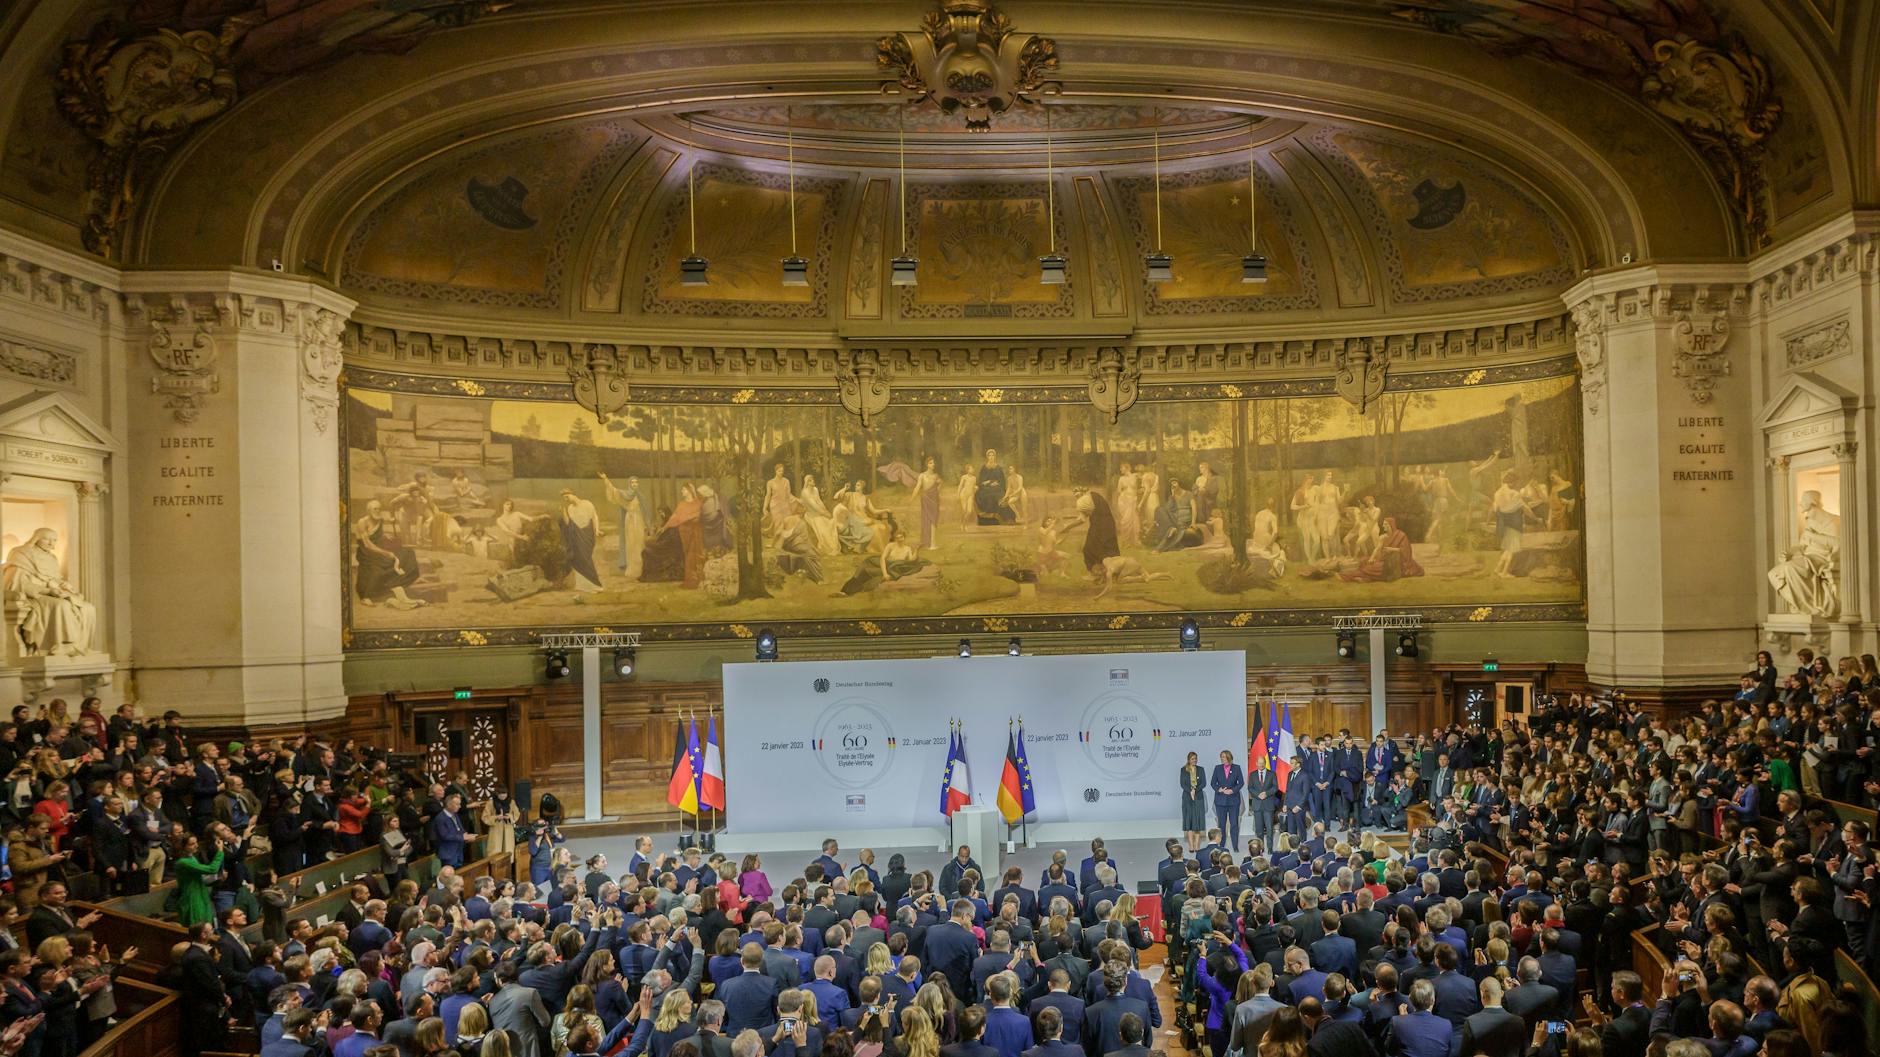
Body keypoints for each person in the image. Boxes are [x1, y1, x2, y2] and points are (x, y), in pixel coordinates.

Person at [1210, 751, 1244, 851]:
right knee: (1221, 825)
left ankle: (1235, 846)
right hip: (1220, 801)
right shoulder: (1217, 768)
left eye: (1224, 757)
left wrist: (1232, 790)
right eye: (1221, 757)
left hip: (1233, 801)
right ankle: (1222, 845)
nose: (1222, 759)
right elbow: (1213, 783)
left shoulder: (1236, 768)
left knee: (1234, 824)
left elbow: (1241, 783)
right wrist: (1219, 789)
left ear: (1229, 757)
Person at [1178, 753, 1206, 851]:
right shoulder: (1183, 769)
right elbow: (1182, 783)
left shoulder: (1201, 769)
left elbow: (1204, 783)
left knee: (1197, 823)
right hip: (1187, 798)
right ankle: (1191, 846)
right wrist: (1190, 791)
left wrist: (1195, 790)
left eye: (1196, 758)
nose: (1195, 760)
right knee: (1189, 823)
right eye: (1193, 759)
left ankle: (1197, 846)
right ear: (1188, 759)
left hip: (1198, 798)